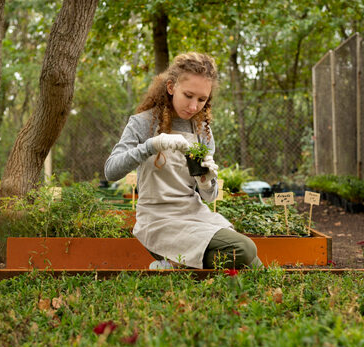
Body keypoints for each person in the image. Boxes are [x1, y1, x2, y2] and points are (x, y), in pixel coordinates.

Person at [105, 52, 261, 270]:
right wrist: (152, 146)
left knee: (254, 264)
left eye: (202, 99)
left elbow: (209, 197)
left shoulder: (203, 132)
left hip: (193, 214)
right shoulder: (142, 123)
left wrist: (207, 181)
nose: (194, 106)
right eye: (188, 95)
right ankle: (176, 263)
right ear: (171, 87)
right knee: (244, 251)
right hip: (159, 220)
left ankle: (175, 265)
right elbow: (111, 171)